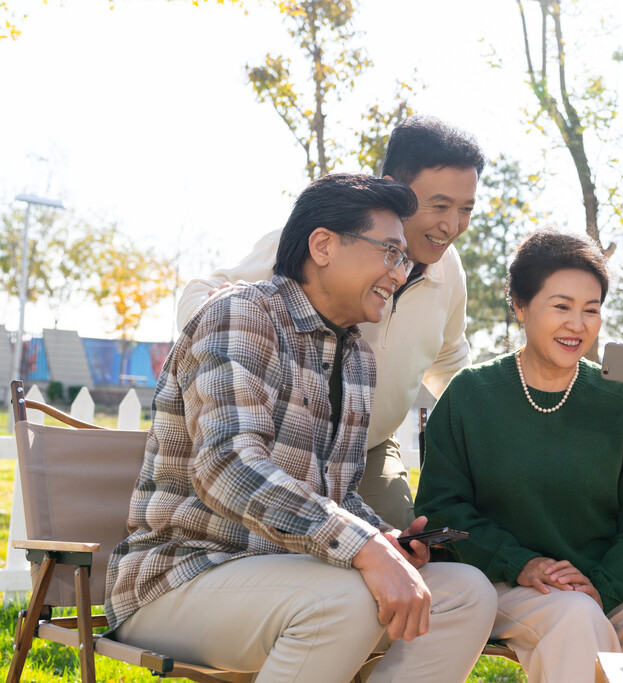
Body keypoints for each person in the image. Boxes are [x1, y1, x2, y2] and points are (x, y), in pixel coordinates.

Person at [105, 174, 497, 682]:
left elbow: (334, 496)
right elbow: (229, 467)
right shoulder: (241, 315)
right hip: (182, 579)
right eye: (390, 253)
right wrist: (364, 548)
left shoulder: (355, 355)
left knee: (465, 593)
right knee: (345, 599)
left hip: (291, 574)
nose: (399, 275)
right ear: (323, 245)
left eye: (403, 260)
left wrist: (386, 539)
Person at [414, 229, 623, 683]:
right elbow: (441, 508)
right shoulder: (471, 394)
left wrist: (603, 587)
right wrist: (519, 562)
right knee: (574, 617)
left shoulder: (621, 400)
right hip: (502, 580)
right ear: (521, 306)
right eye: (561, 306)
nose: (578, 325)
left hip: (602, 582)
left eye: (591, 310)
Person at [176, 115, 484, 530]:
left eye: (465, 209)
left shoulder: (449, 272)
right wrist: (227, 327)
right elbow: (205, 294)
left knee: (400, 548)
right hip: (283, 441)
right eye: (440, 205)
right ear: (395, 188)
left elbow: (449, 363)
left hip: (366, 449)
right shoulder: (329, 241)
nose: (452, 225)